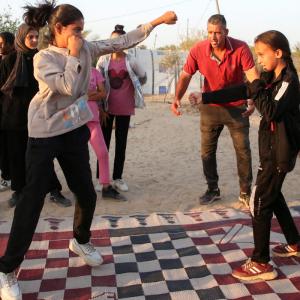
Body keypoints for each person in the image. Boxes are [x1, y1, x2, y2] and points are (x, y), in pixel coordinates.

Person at [0, 0, 177, 298]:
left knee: (85, 191)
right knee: (32, 200)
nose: (81, 36)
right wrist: (72, 53)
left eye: (83, 30)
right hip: (44, 132)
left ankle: (80, 240)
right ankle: (7, 269)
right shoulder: (43, 58)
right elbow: (69, 86)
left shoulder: (88, 48)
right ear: (59, 29)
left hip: (74, 130)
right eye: (76, 30)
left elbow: (123, 40)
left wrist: (157, 21)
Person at [189, 30, 300, 281]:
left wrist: (257, 88)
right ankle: (294, 242)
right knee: (274, 196)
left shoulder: (289, 81)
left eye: (261, 54)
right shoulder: (270, 77)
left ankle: (261, 262)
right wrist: (206, 97)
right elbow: (243, 90)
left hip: (279, 153)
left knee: (258, 203)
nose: (258, 60)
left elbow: (270, 110)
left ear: (278, 53)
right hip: (271, 149)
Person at [171, 14, 258, 207]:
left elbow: (253, 77)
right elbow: (185, 76)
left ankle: (245, 191)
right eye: (210, 32)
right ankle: (212, 189)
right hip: (210, 108)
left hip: (237, 108)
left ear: (226, 32)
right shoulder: (198, 50)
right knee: (207, 152)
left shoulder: (241, 48)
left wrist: (252, 99)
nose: (213, 37)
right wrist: (177, 97)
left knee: (243, 151)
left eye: (218, 32)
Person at [0, 24, 71, 208]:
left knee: (44, 155)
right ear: (21, 37)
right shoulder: (10, 60)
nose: (33, 40)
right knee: (16, 156)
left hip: (39, 117)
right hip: (14, 118)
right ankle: (18, 191)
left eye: (35, 36)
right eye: (29, 37)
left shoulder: (43, 58)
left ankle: (54, 190)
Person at [96, 24, 147, 193]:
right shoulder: (103, 60)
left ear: (125, 42)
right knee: (103, 144)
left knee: (121, 143)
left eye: (119, 40)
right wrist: (100, 107)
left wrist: (135, 88)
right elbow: (98, 82)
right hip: (106, 108)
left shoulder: (131, 60)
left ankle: (118, 178)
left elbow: (143, 76)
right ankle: (101, 178)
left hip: (125, 108)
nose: (115, 43)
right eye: (113, 40)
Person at [86, 67, 126, 200]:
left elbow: (103, 93)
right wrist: (91, 94)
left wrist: (85, 96)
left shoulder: (94, 72)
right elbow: (70, 93)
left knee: (103, 153)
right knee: (78, 156)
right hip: (75, 120)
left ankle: (106, 187)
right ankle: (80, 188)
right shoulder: (70, 68)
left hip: (93, 118)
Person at [0, 31, 15, 192]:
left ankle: (8, 177)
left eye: (2, 43)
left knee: (10, 147)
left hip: (10, 112)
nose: (0, 47)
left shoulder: (14, 61)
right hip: (3, 112)